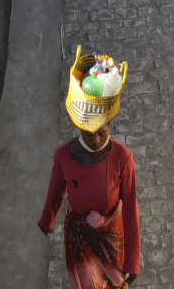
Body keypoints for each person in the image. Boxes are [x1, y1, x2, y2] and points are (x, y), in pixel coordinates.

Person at [39, 52, 142, 288]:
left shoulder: (123, 158)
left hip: (113, 237)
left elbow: (131, 209)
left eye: (102, 133)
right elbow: (56, 191)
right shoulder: (63, 156)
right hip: (79, 236)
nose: (95, 140)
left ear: (110, 126)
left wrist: (132, 261)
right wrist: (47, 220)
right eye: (88, 133)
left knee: (115, 283)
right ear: (78, 127)